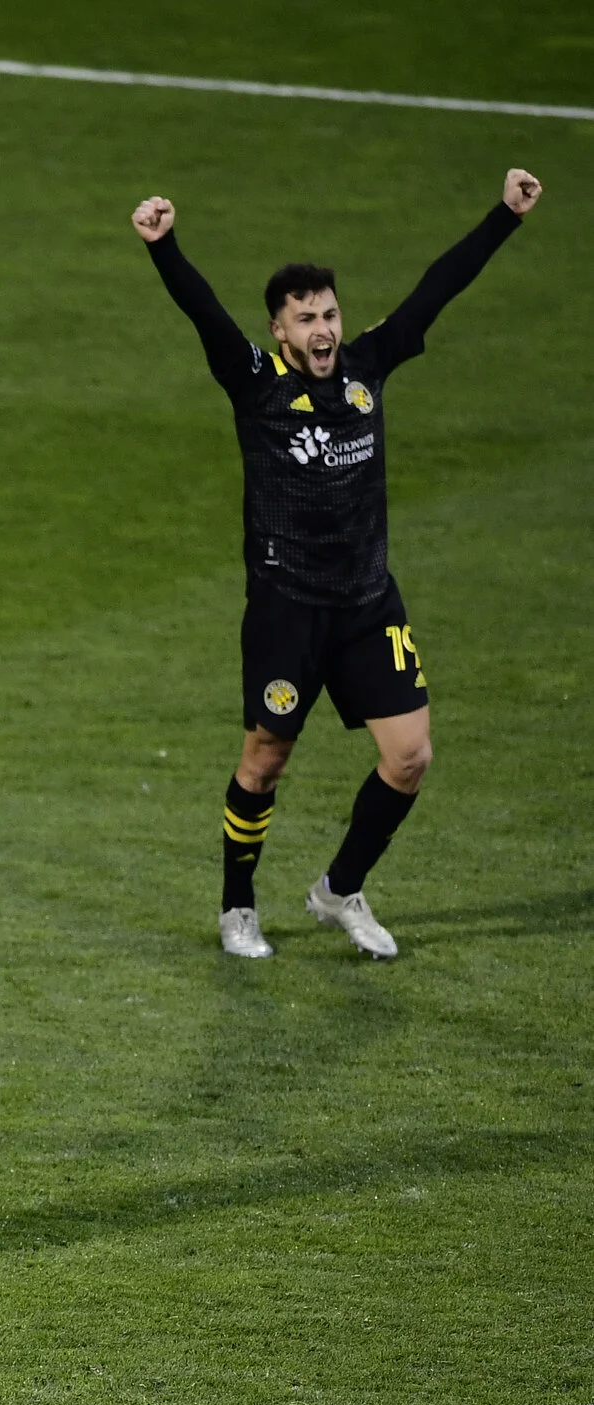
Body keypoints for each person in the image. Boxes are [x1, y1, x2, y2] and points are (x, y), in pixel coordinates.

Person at [134, 168, 543, 959]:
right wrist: (163, 246)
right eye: (305, 319)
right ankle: (237, 905)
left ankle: (338, 889)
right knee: (265, 758)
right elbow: (203, 311)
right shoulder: (255, 385)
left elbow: (437, 289)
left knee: (411, 754)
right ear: (280, 331)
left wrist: (505, 215)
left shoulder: (366, 370)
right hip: (288, 608)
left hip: (366, 603)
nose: (323, 329)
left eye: (329, 313)